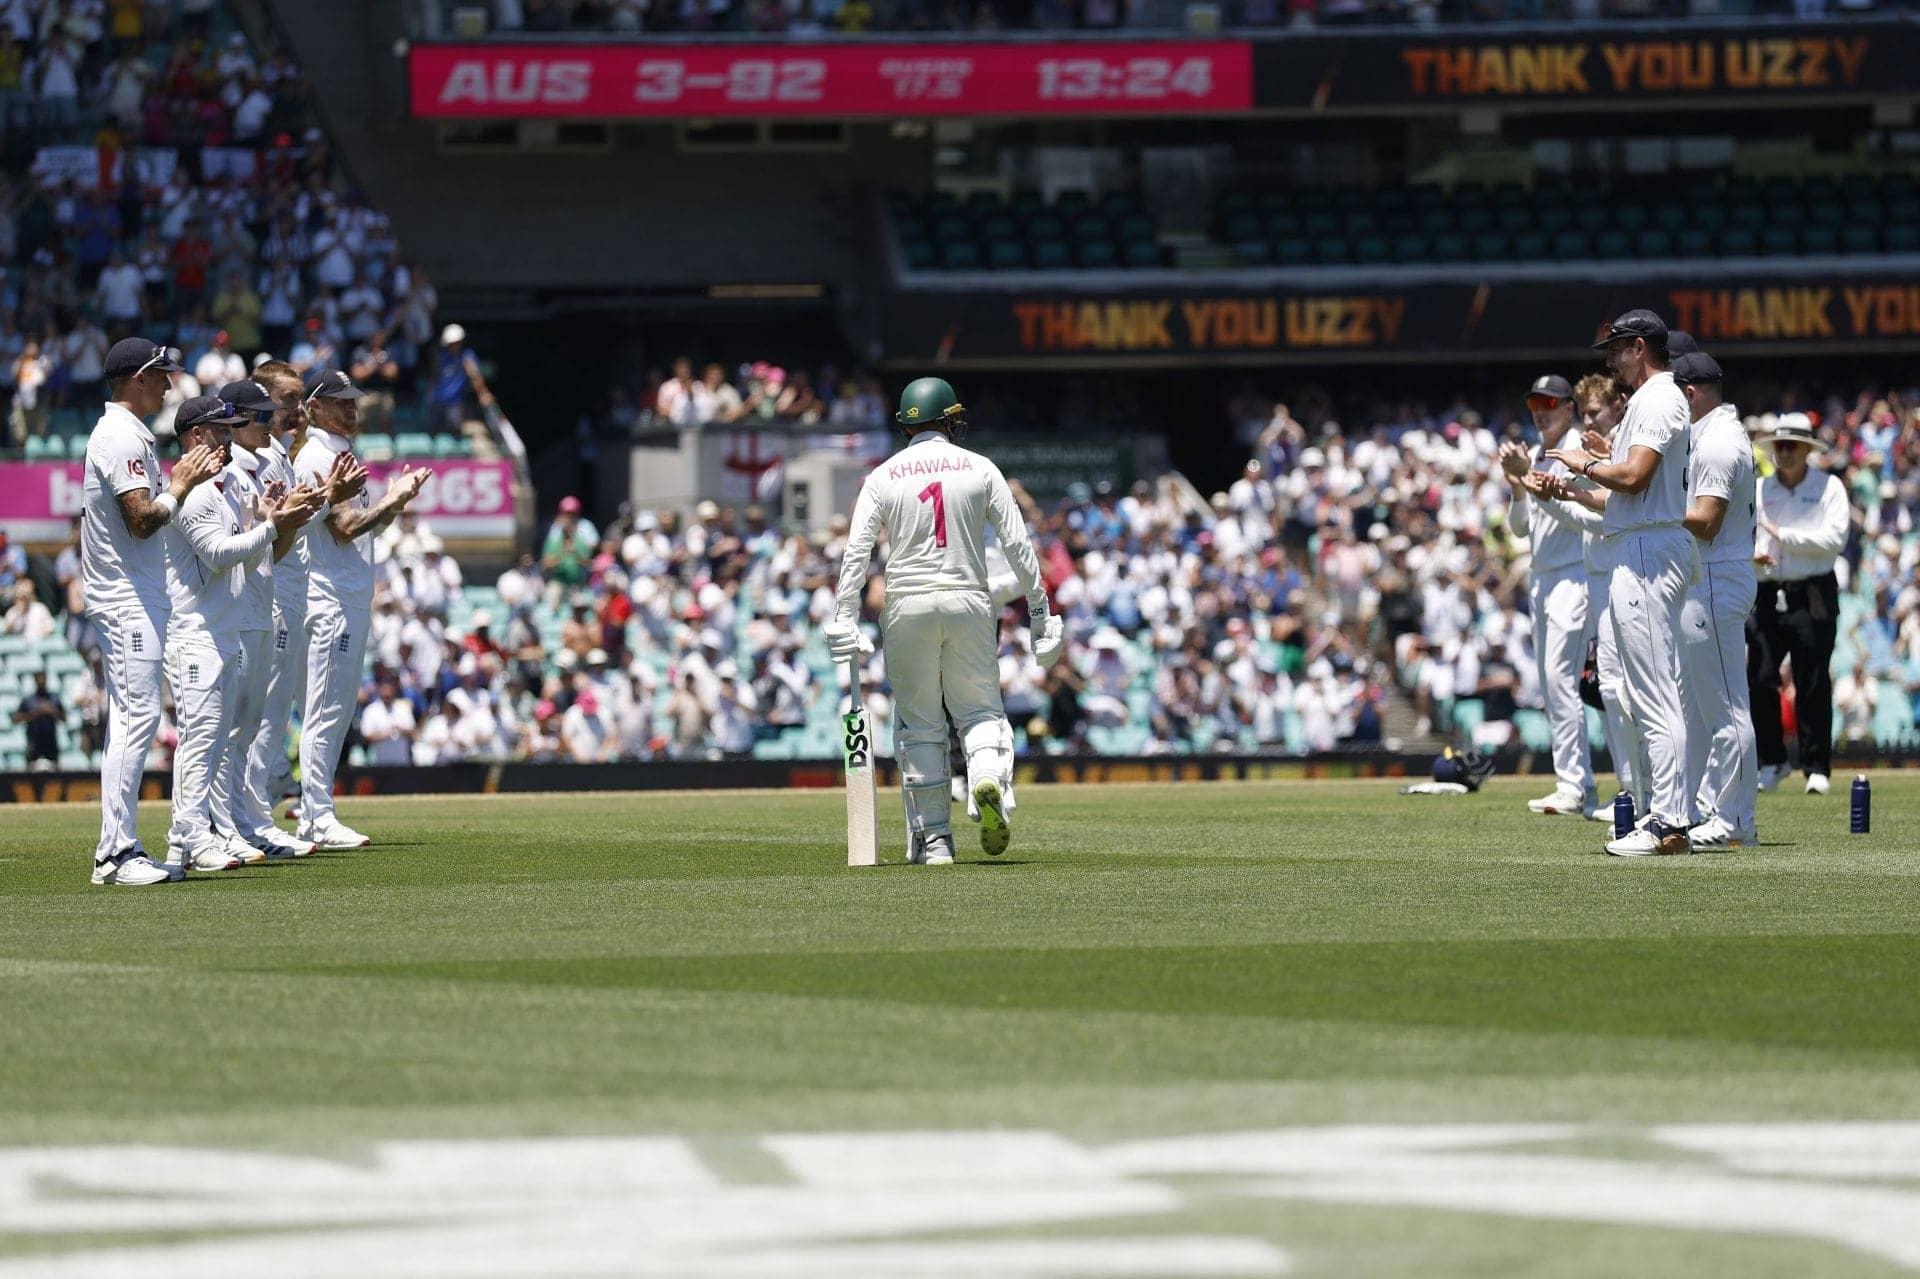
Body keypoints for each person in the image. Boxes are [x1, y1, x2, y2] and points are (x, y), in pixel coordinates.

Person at [825, 376, 1064, 864]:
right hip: (968, 598)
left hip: (906, 603)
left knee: (920, 724)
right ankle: (987, 780)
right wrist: (1040, 611)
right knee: (979, 711)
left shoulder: (884, 475)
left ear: (905, 423)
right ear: (950, 418)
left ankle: (935, 840)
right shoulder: (980, 467)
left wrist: (845, 616)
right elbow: (1018, 546)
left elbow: (856, 552)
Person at [1547, 309, 1695, 857]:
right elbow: (1627, 482)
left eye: (1615, 351)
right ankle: (1665, 813)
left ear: (1638, 347)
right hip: (1643, 540)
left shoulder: (1658, 398)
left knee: (1655, 693)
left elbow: (1635, 479)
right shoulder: (1649, 402)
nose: (1610, 362)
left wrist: (1584, 464)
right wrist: (1593, 466)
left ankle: (1671, 820)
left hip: (1650, 547)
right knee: (1643, 691)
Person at [162, 395, 322, 874]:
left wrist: (267, 523)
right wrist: (272, 526)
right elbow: (218, 555)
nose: (231, 437)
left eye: (233, 429)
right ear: (196, 436)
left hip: (223, 627)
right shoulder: (194, 493)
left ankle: (192, 836)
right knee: (203, 736)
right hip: (194, 631)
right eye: (221, 430)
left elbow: (250, 559)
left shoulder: (224, 487)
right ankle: (193, 836)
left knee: (217, 736)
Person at [82, 338, 221, 886]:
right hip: (124, 596)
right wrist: (183, 486)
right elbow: (141, 519)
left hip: (137, 593)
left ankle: (122, 848)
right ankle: (113, 854)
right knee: (136, 718)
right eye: (161, 374)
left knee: (137, 717)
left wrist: (184, 486)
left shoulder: (130, 433)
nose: (169, 384)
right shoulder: (119, 435)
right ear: (137, 378)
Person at [293, 368, 431, 849]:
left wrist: (394, 502)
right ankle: (315, 815)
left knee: (335, 706)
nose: (351, 408)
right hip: (330, 596)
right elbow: (345, 527)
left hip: (347, 593)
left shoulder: (340, 452)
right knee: (326, 707)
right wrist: (395, 500)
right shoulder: (318, 455)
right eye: (339, 401)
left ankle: (314, 809)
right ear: (313, 407)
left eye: (352, 400)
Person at [1671, 352, 1759, 849]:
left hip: (1715, 578)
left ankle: (1735, 821)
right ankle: (1712, 809)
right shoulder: (1709, 435)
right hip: (1707, 577)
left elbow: (1707, 521)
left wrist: (1659, 510)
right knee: (1709, 708)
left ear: (1689, 393)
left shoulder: (1720, 442)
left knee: (1726, 708)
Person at [1497, 373, 1594, 818]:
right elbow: (1519, 528)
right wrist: (1519, 485)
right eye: (1535, 402)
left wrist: (1529, 478)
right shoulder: (1536, 454)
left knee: (1561, 679)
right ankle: (1572, 784)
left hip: (1576, 574)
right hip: (1543, 577)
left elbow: (1582, 517)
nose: (1540, 411)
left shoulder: (1580, 450)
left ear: (1568, 407)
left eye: (1550, 403)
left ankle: (1576, 786)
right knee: (1551, 683)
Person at [1749, 412, 1850, 796]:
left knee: (1812, 679)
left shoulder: (1829, 488)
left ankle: (1816, 765)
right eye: (1779, 446)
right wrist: (1754, 556)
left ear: (1807, 450)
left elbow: (1833, 540)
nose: (1784, 453)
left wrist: (1782, 535)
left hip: (1812, 592)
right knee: (1759, 675)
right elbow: (1748, 536)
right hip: (1767, 589)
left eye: (1791, 446)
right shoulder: (1759, 490)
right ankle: (1773, 760)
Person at [13, 669, 61, 770]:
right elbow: (16, 719)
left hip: (50, 742)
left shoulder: (53, 698)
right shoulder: (28, 700)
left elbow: (64, 717)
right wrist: (35, 713)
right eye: (39, 678)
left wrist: (51, 711)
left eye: (43, 678)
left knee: (55, 772)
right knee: (30, 772)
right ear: (34, 680)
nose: (41, 681)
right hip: (34, 742)